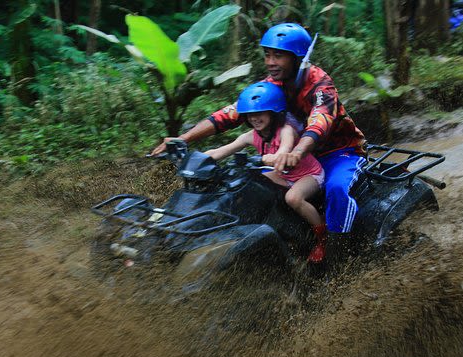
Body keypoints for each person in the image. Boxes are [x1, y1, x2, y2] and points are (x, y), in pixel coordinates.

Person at [152, 23, 367, 246]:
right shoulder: (271, 86)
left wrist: (297, 151)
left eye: (278, 56)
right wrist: (184, 139)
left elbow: (320, 120)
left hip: (338, 152)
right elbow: (231, 113)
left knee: (336, 189)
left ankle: (340, 245)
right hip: (292, 157)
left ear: (297, 58)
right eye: (267, 55)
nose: (270, 62)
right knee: (245, 184)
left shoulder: (321, 85)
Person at [204, 82, 327, 263]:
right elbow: (220, 151)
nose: (255, 118)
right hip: (284, 175)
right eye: (251, 114)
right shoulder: (251, 136)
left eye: (260, 113)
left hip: (309, 175)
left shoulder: (286, 130)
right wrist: (196, 159)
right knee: (249, 185)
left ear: (274, 112)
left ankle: (322, 237)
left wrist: (274, 157)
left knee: (293, 198)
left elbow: (284, 150)